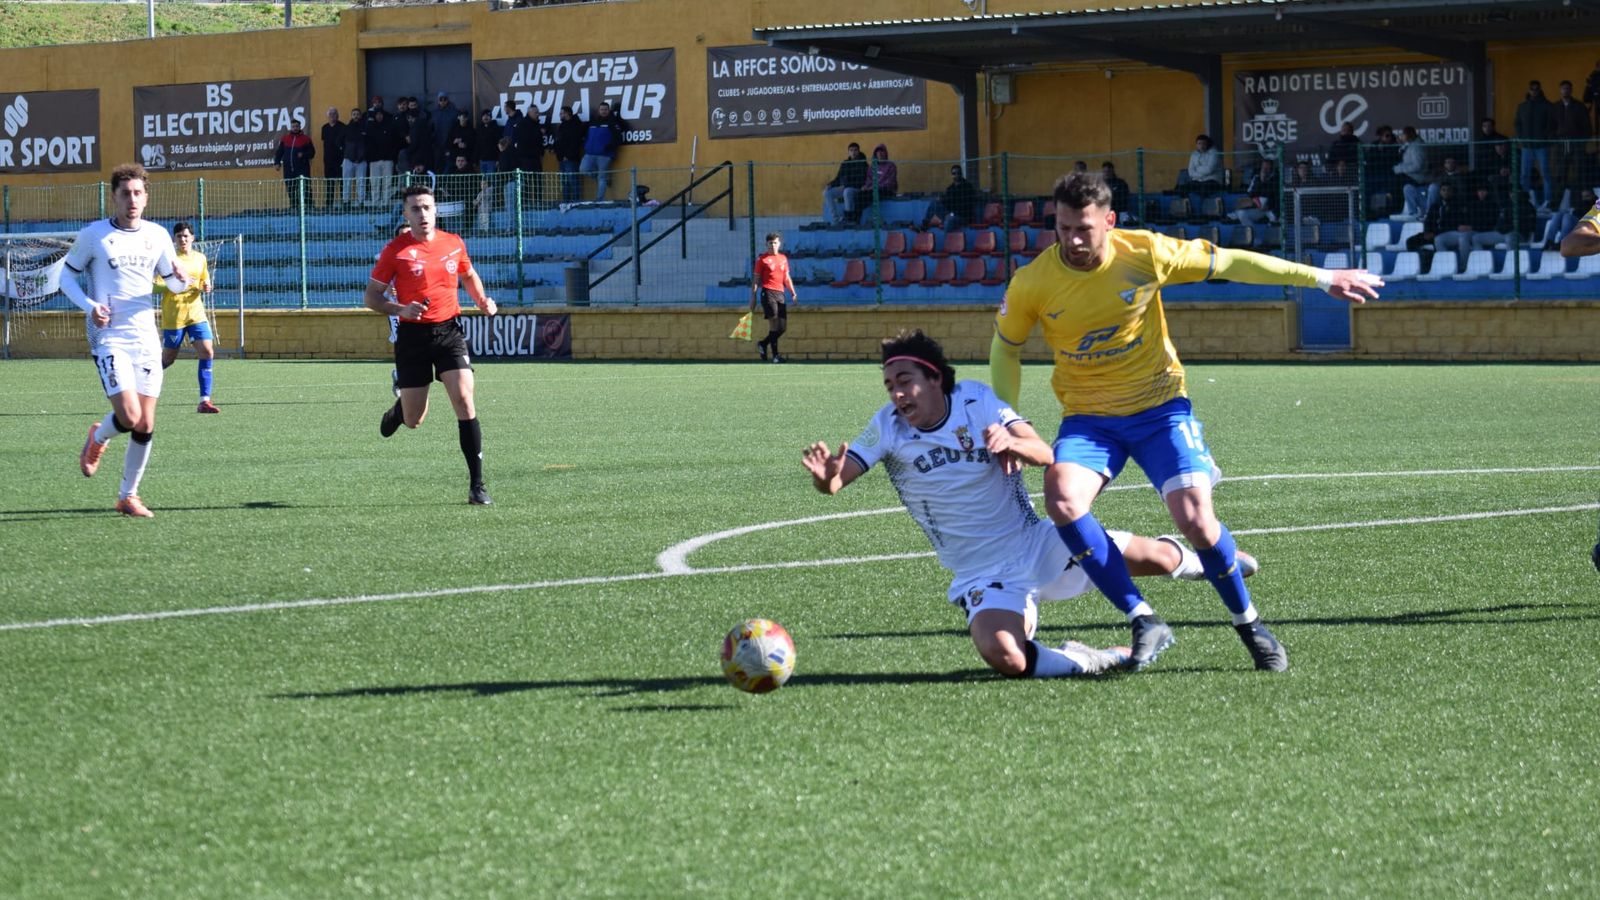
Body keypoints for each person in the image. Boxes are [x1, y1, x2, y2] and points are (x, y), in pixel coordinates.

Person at [989, 171, 1382, 671]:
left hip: (1160, 409)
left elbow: (1234, 262)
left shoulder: (1146, 253)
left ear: (1109, 222)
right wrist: (1012, 423)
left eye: (1084, 228)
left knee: (1196, 520)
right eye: (1063, 228)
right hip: (1090, 420)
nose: (1072, 240)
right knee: (1062, 499)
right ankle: (1142, 617)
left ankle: (1249, 624)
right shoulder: (1034, 282)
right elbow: (1006, 349)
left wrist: (1322, 278)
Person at [802, 330, 1260, 679]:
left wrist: (1016, 444)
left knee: (1159, 557)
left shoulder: (976, 401)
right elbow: (839, 481)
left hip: (1035, 543)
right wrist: (828, 479)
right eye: (890, 386)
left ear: (935, 378)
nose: (898, 394)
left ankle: (1215, 560)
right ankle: (1094, 659)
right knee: (1005, 656)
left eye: (906, 381)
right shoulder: (887, 426)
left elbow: (1047, 453)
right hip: (980, 573)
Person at [66, 163, 191, 518]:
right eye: (125, 193)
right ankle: (99, 437)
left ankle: (128, 496)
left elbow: (173, 283)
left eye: (138, 193)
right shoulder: (94, 235)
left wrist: (180, 279)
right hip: (110, 338)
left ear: (146, 197)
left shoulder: (157, 235)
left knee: (146, 423)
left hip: (146, 338)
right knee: (130, 414)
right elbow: (66, 277)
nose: (132, 200)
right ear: (114, 197)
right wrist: (90, 306)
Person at [364, 185, 498, 506]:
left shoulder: (454, 243)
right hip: (413, 337)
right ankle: (399, 411)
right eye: (415, 209)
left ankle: (477, 485)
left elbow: (468, 274)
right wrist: (400, 309)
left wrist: (481, 299)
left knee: (465, 400)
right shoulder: (395, 251)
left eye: (427, 207)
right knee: (415, 419)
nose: (422, 214)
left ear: (436, 210)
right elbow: (371, 297)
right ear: (405, 214)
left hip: (449, 331)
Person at [154, 222, 218, 414]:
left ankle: (204, 401)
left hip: (196, 312)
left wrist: (206, 286)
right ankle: (142, 379)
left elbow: (204, 280)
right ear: (174, 239)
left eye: (186, 236)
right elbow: (154, 286)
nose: (182, 239)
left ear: (192, 238)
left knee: (207, 351)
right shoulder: (168, 260)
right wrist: (175, 285)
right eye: (179, 236)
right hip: (174, 316)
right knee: (168, 359)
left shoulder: (201, 258)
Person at [750, 232, 797, 363]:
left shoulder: (783, 258)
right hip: (768, 293)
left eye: (775, 243)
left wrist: (793, 292)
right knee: (774, 323)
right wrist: (753, 297)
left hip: (780, 293)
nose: (773, 245)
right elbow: (755, 280)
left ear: (779, 244)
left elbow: (786, 278)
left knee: (782, 327)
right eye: (770, 243)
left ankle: (763, 344)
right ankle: (776, 356)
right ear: (766, 244)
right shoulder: (762, 260)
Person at [1515, 80, 1557, 212]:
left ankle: (1548, 201)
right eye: (1532, 89)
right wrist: (1521, 138)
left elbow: (1553, 124)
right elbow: (1517, 124)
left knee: (1546, 173)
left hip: (1542, 145)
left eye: (1536, 89)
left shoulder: (1547, 105)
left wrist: (1546, 137)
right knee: (1524, 174)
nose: (1534, 91)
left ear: (1540, 90)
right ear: (1529, 90)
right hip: (1527, 146)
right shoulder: (1522, 106)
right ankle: (1525, 200)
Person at [1551, 80, 1591, 210]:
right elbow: (1550, 125)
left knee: (1579, 173)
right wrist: (1554, 139)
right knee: (1560, 174)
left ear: (1571, 90)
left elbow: (1587, 126)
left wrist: (1582, 141)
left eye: (1568, 88)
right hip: (1561, 144)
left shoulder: (1579, 106)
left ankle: (1578, 204)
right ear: (1560, 90)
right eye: (1563, 89)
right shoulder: (1555, 107)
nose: (1565, 91)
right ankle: (1558, 204)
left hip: (1576, 144)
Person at [579, 101, 624, 201]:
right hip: (589, 153)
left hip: (604, 155)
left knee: (602, 177)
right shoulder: (592, 122)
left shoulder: (613, 122)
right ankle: (604, 179)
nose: (603, 111)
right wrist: (585, 144)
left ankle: (599, 200)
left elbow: (618, 138)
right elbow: (583, 134)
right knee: (583, 169)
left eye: (605, 110)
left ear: (608, 111)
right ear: (599, 110)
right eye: (601, 109)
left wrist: (610, 146)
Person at [1393, 125, 1435, 219]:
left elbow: (1418, 166)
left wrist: (1400, 169)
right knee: (1392, 178)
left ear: (1409, 134)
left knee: (1396, 182)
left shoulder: (1418, 146)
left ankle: (1403, 209)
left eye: (1403, 134)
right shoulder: (1409, 144)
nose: (1401, 136)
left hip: (1419, 176)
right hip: (1410, 174)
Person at [273, 119, 315, 212]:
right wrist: (277, 163)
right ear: (291, 127)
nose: (295, 128)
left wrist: (303, 154)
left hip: (302, 168)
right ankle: (294, 207)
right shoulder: (285, 139)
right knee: (291, 189)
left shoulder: (306, 139)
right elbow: (279, 152)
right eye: (293, 126)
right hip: (288, 169)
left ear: (300, 127)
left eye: (297, 126)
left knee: (305, 187)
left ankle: (309, 206)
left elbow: (312, 153)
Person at [821, 142, 868, 225]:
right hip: (844, 188)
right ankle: (836, 219)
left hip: (857, 188)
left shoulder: (863, 163)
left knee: (847, 191)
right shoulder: (845, 163)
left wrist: (845, 186)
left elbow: (861, 180)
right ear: (848, 152)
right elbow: (838, 178)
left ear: (859, 151)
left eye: (855, 150)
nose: (853, 152)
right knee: (826, 192)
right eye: (851, 150)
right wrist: (830, 184)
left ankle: (849, 220)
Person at [924, 164, 980, 231]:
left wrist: (951, 214)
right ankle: (924, 226)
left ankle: (947, 241)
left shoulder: (967, 187)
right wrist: (940, 199)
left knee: (949, 220)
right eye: (954, 173)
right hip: (951, 214)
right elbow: (946, 201)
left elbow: (966, 206)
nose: (956, 175)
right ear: (951, 175)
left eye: (958, 173)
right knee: (934, 203)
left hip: (963, 217)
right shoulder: (950, 188)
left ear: (961, 174)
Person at [552, 105, 586, 204]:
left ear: (567, 113)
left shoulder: (575, 125)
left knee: (573, 181)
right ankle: (566, 203)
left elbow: (575, 143)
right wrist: (555, 149)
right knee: (565, 183)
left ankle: (576, 203)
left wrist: (569, 156)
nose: (560, 115)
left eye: (562, 113)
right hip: (561, 159)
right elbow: (559, 141)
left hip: (570, 159)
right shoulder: (562, 126)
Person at [366, 107, 397, 207]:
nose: (379, 116)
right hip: (374, 161)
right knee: (375, 183)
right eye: (377, 114)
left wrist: (391, 156)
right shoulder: (370, 128)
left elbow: (393, 142)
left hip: (387, 160)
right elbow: (367, 143)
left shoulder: (389, 127)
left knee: (387, 183)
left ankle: (386, 204)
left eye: (380, 114)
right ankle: (375, 204)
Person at [342, 107, 369, 207]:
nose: (356, 116)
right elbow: (339, 141)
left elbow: (369, 144)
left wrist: (364, 154)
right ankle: (346, 202)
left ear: (360, 116)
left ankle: (361, 202)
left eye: (358, 114)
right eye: (354, 114)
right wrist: (345, 151)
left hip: (361, 160)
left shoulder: (365, 128)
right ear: (351, 116)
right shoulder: (346, 128)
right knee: (347, 182)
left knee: (361, 182)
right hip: (348, 159)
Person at [319, 107, 345, 209]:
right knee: (329, 183)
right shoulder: (324, 128)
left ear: (337, 115)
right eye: (330, 114)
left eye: (334, 114)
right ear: (327, 116)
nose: (332, 116)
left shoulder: (343, 127)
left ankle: (344, 204)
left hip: (340, 159)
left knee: (342, 182)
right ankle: (329, 205)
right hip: (328, 159)